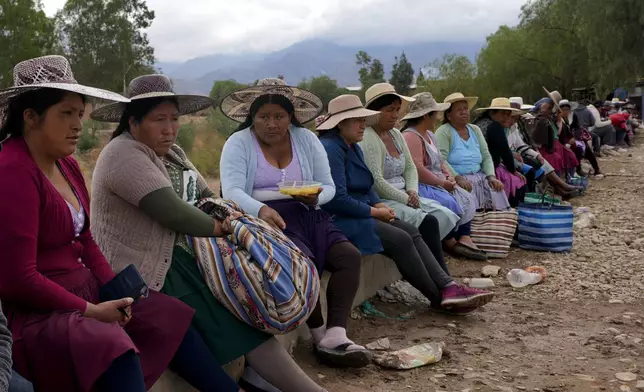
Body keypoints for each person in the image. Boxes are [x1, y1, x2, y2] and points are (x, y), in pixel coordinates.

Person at [0, 57, 241, 392]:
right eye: (66, 114)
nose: (78, 125)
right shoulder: (12, 170)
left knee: (166, 316)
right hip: (39, 311)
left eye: (79, 113)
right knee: (113, 346)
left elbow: (86, 241)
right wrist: (91, 311)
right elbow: (19, 280)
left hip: (84, 290)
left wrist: (120, 291)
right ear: (30, 117)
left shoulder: (67, 166)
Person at [90, 74, 329, 391]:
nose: (170, 128)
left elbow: (207, 195)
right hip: (140, 271)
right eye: (158, 119)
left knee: (242, 306)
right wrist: (227, 227)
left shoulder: (171, 154)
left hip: (178, 259)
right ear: (133, 122)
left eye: (174, 119)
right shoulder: (123, 154)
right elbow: (173, 212)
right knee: (223, 315)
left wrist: (232, 219)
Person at [219, 78, 370, 369]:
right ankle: (319, 335)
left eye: (279, 116)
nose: (272, 124)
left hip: (308, 210)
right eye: (263, 117)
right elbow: (232, 191)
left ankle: (337, 333)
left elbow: (328, 185)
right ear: (252, 117)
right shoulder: (238, 143)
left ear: (291, 117)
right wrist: (260, 210)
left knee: (349, 257)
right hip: (264, 217)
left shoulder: (306, 139)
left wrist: (316, 198)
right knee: (303, 265)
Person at [317, 94, 494, 314]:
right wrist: (374, 210)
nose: (363, 124)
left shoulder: (351, 144)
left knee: (411, 230)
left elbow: (368, 184)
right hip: (343, 218)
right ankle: (439, 298)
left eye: (364, 119)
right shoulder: (331, 148)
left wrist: (377, 205)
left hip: (362, 211)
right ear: (340, 123)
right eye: (357, 120)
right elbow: (336, 199)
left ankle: (448, 286)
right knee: (401, 239)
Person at [360, 83, 460, 272]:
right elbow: (377, 182)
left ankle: (432, 268)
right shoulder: (368, 137)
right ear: (375, 112)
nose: (395, 115)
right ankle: (439, 274)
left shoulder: (396, 134)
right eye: (389, 110)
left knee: (443, 214)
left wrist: (412, 190)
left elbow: (410, 168)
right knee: (429, 222)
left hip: (406, 193)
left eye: (397, 109)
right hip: (383, 200)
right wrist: (406, 198)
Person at [400, 92, 484, 261]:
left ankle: (464, 236)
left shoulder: (430, 134)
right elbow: (417, 169)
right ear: (425, 116)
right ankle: (449, 240)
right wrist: (441, 183)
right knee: (448, 202)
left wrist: (449, 177)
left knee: (465, 197)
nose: (438, 117)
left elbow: (441, 161)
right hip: (423, 184)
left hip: (438, 179)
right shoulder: (411, 136)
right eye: (435, 114)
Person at [434, 93, 511, 211]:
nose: (464, 112)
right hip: (456, 181)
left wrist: (491, 176)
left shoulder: (475, 129)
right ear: (449, 115)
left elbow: (486, 155)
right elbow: (441, 160)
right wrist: (458, 178)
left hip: (480, 177)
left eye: (466, 109)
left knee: (496, 191)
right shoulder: (443, 132)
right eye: (459, 110)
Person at [473, 98, 528, 207]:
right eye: (503, 114)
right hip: (488, 167)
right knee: (519, 182)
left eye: (508, 114)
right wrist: (513, 171)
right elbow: (505, 151)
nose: (506, 118)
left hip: (479, 165)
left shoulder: (479, 123)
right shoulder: (494, 126)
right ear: (493, 112)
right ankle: (513, 211)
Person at [530, 89, 578, 180]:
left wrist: (559, 118)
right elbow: (540, 139)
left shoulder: (551, 118)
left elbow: (558, 133)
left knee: (570, 156)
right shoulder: (541, 119)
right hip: (547, 147)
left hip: (555, 144)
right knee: (556, 158)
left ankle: (569, 178)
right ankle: (559, 182)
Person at [560, 100, 602, 178]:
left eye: (567, 109)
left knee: (587, 150)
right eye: (563, 109)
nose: (565, 111)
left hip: (575, 137)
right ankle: (578, 169)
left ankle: (596, 169)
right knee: (576, 152)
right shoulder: (558, 118)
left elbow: (577, 128)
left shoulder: (573, 115)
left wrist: (575, 137)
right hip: (564, 139)